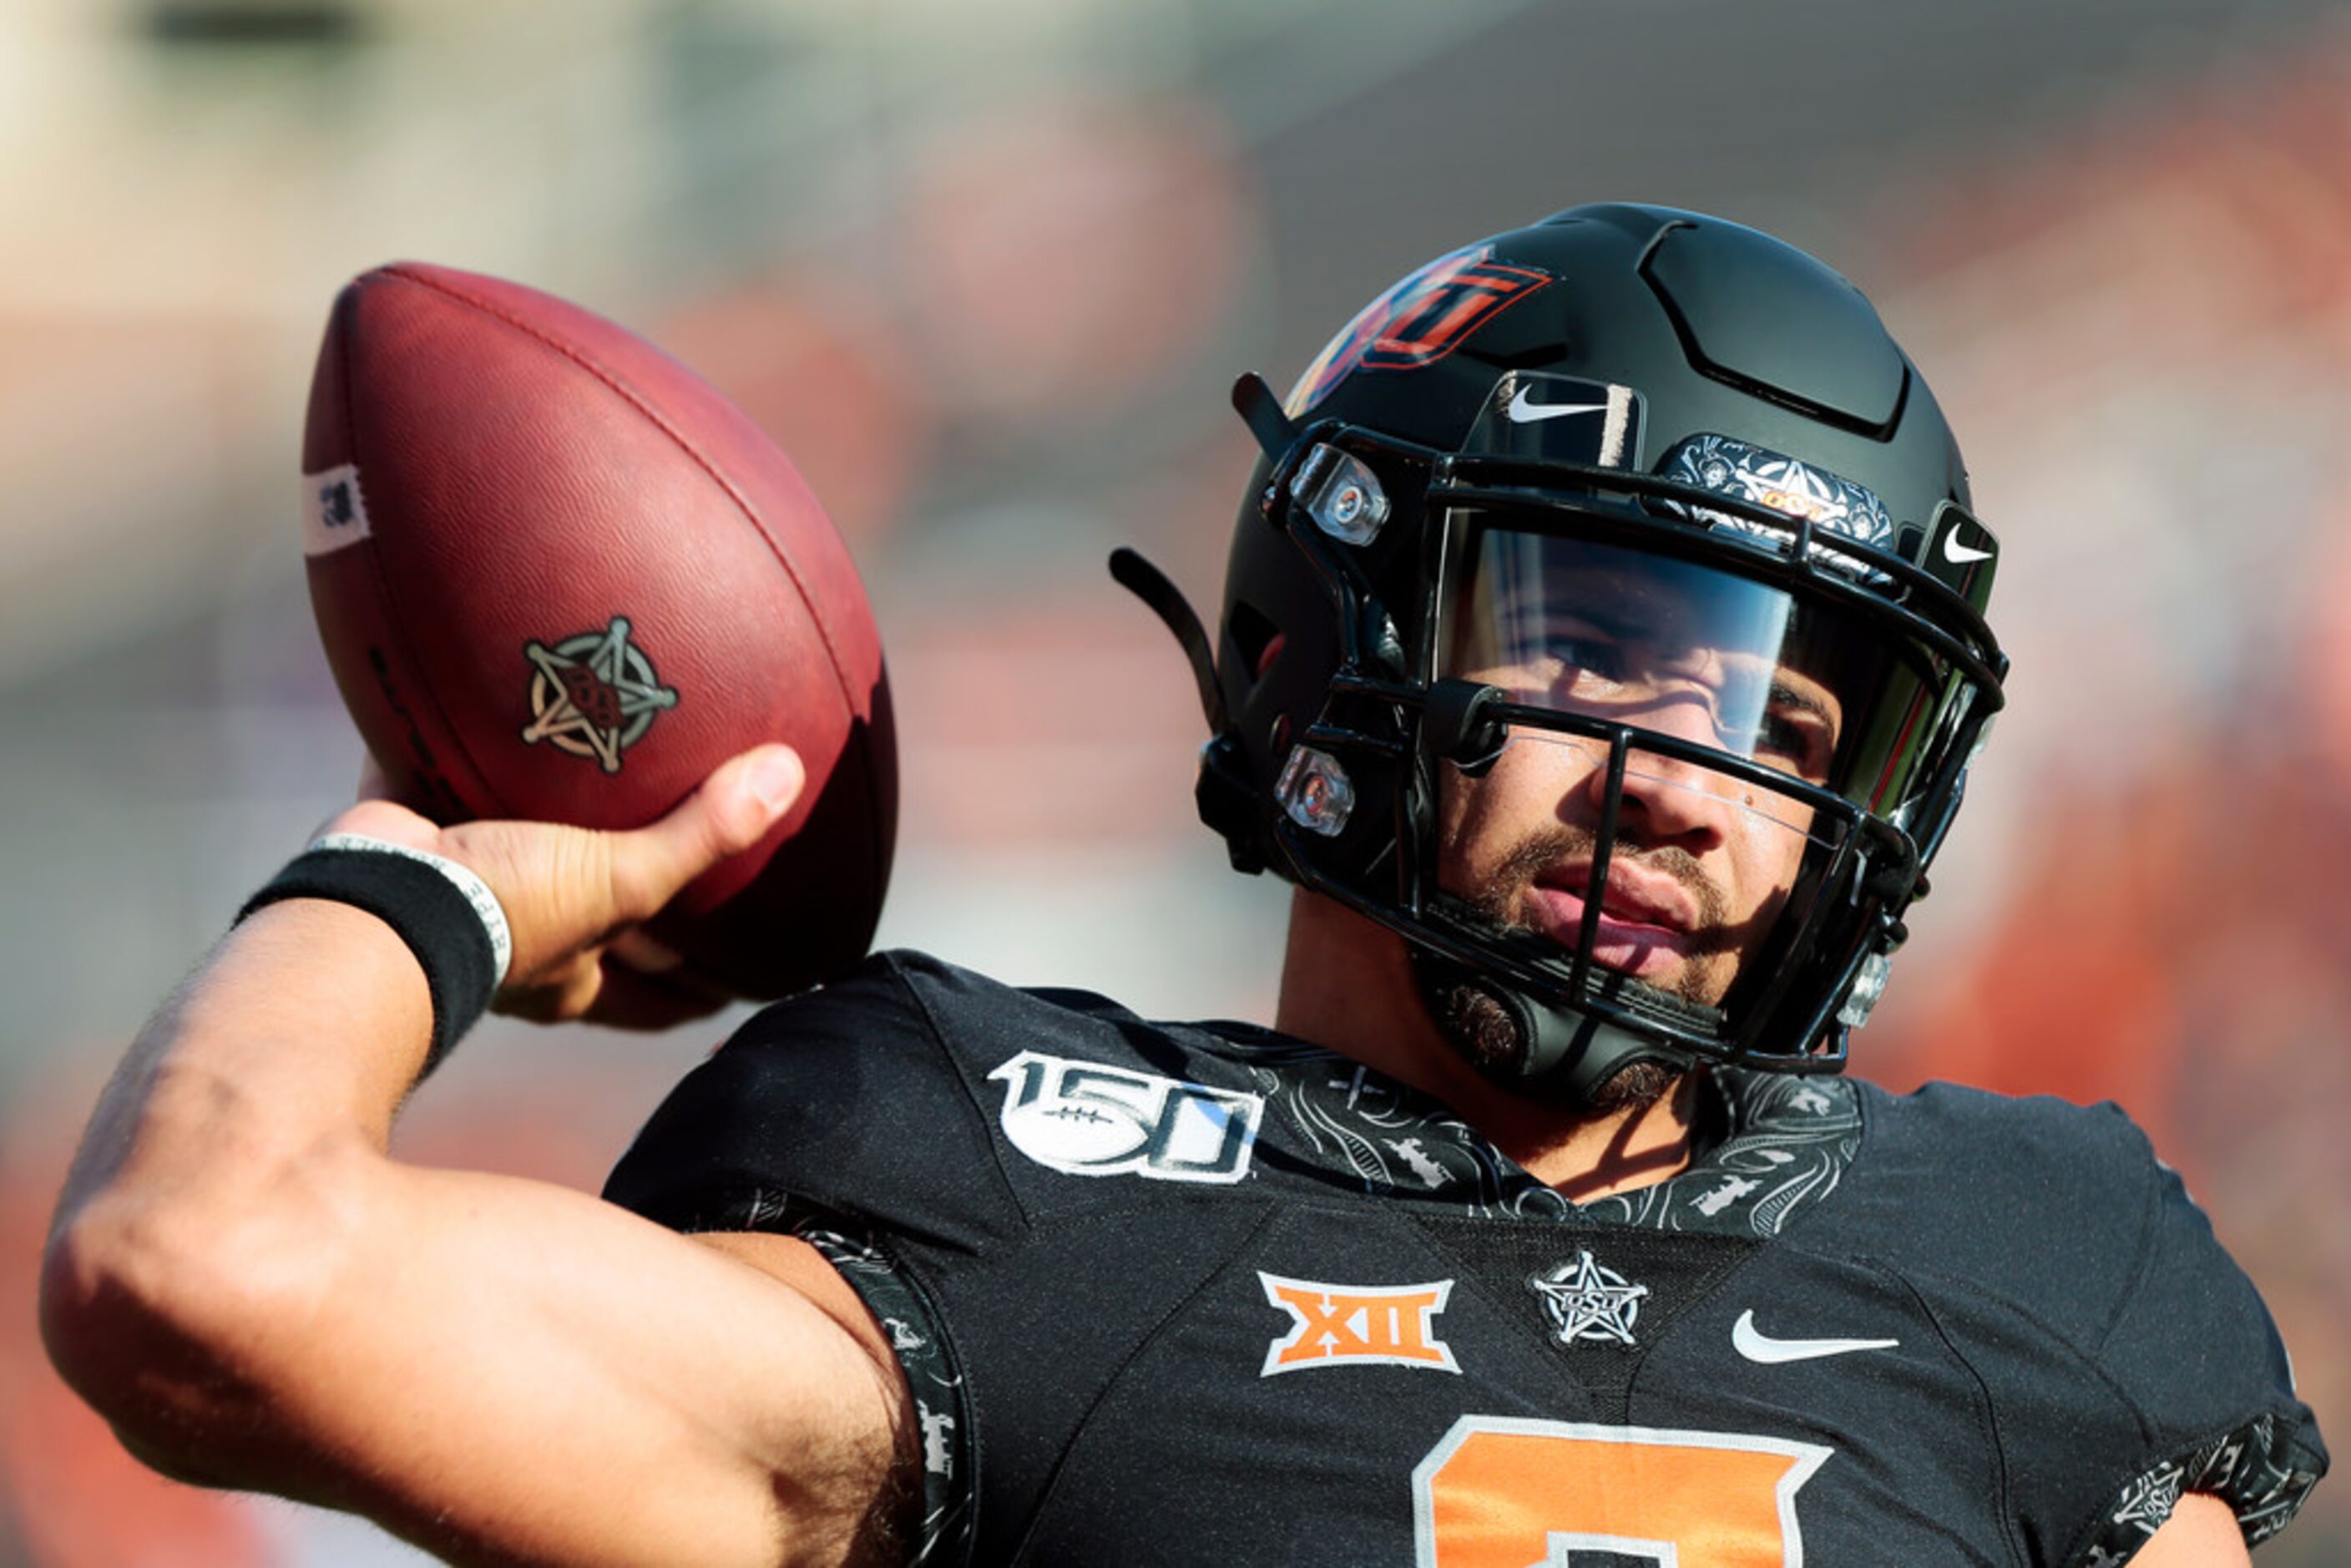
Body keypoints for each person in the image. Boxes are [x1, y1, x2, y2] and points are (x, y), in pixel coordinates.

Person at [39, 204, 2324, 1565]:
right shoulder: (995, 1179)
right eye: (1611, 659)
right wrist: (435, 862)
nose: (1693, 787)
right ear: (1335, 643)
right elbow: (205, 1265)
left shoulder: (2055, 1268)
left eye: (1796, 733)